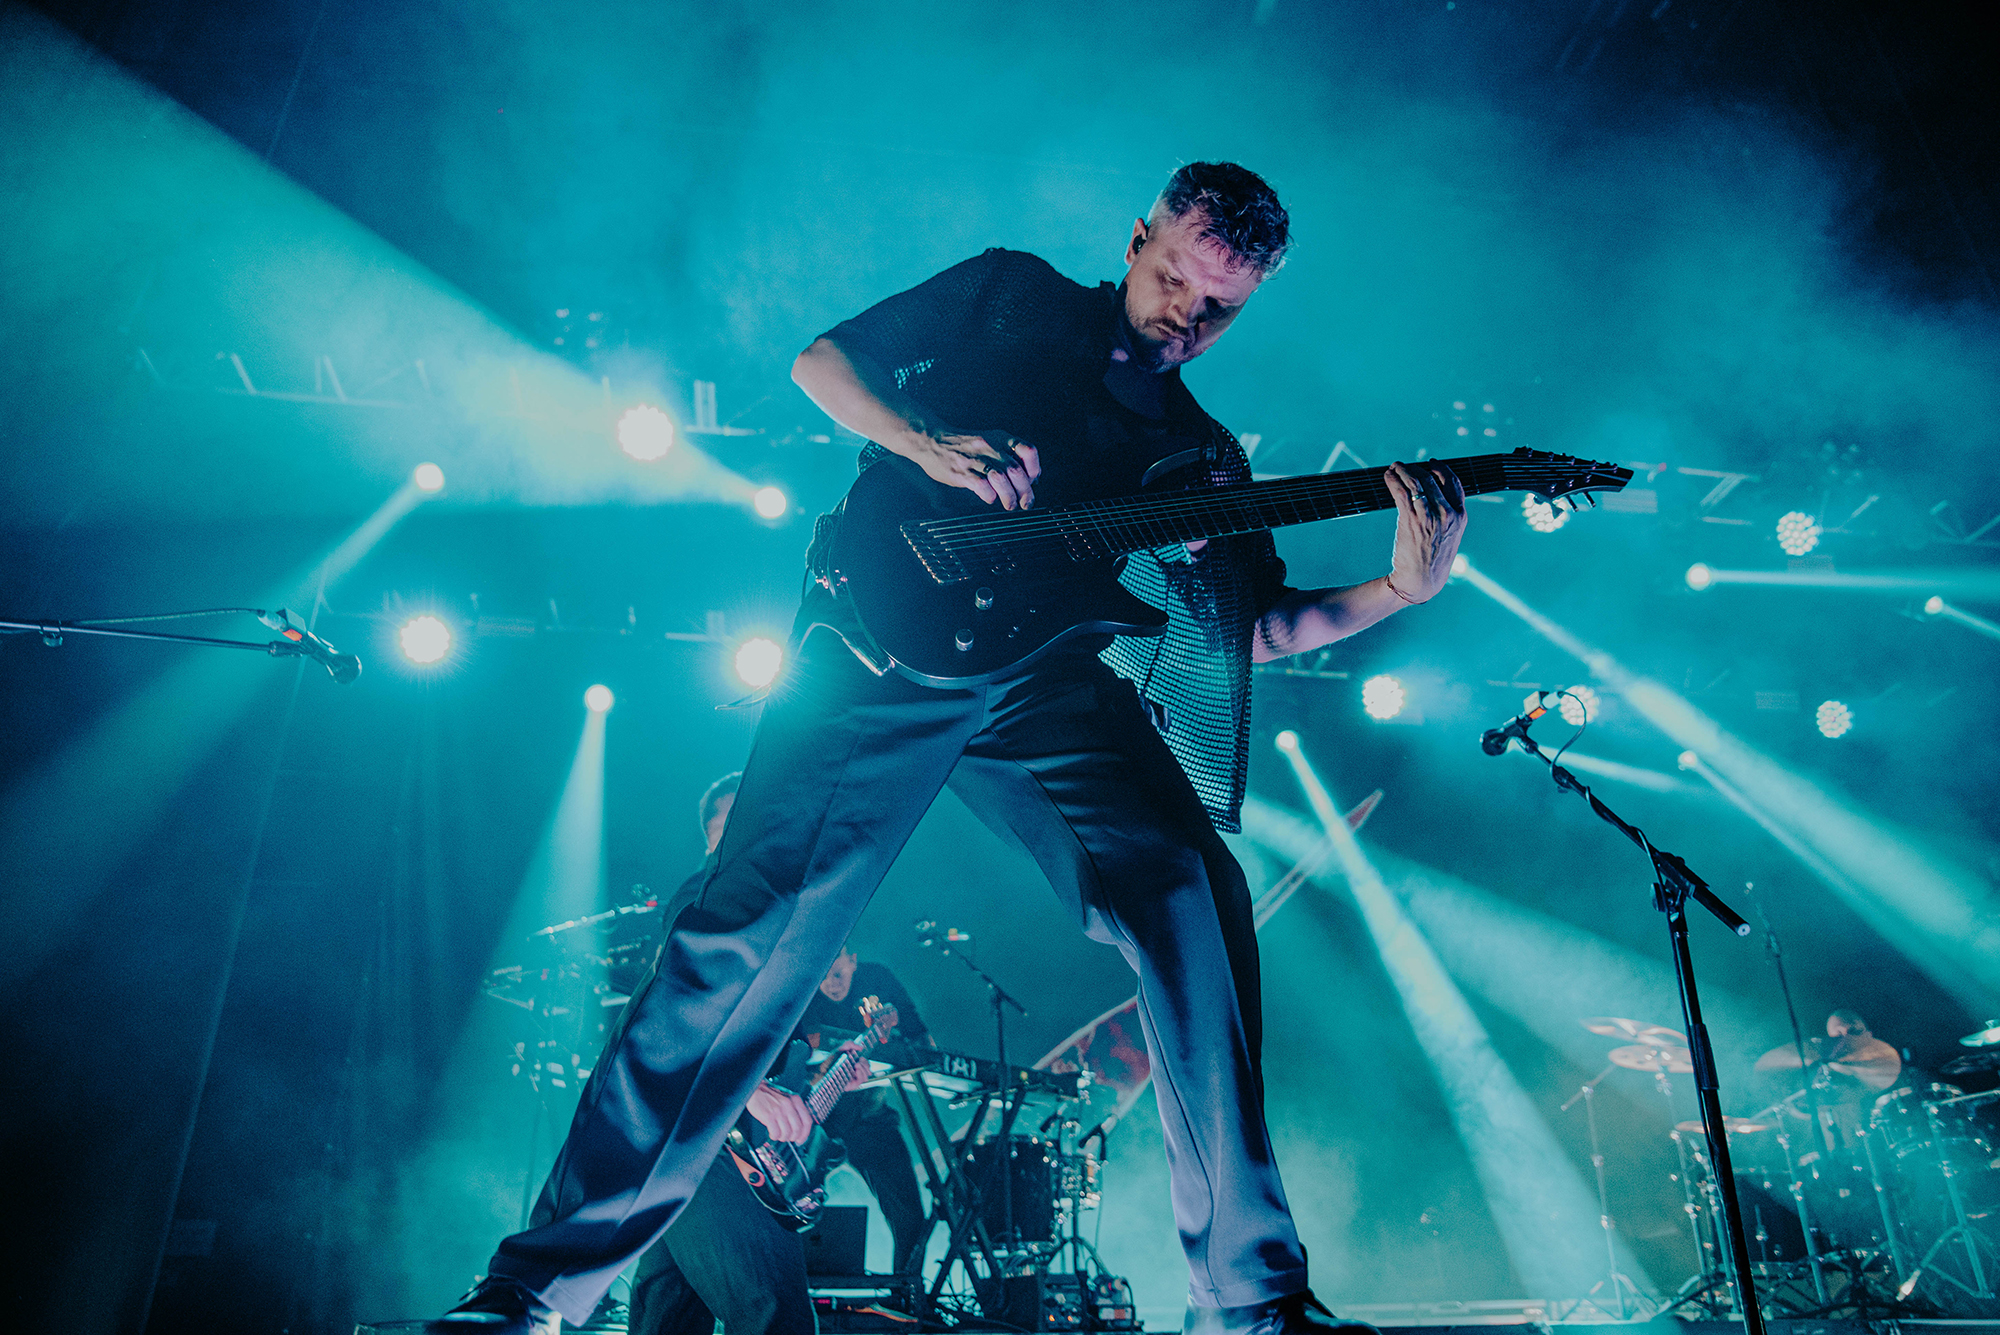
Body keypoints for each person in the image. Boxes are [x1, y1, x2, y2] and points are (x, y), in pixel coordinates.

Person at [428, 160, 1467, 1335]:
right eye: (1174, 277)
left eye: (1218, 306)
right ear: (1135, 239)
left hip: (1041, 685)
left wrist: (1398, 588)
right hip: (878, 648)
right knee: (744, 939)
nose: (1185, 313)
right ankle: (532, 1291)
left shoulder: (1200, 457)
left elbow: (1259, 628)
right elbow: (823, 363)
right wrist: (925, 443)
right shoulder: (1010, 297)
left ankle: (1252, 1298)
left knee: (1190, 886)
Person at [623, 773, 817, 1335]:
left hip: (685, 1133)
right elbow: (678, 1010)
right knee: (774, 1314)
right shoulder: (710, 896)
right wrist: (747, 1089)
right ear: (719, 830)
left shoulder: (760, 904)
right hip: (706, 1131)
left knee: (668, 1314)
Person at [800, 945, 934, 1275]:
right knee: (782, 1208)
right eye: (823, 976)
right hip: (813, 1120)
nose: (831, 983)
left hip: (869, 1117)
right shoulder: (800, 987)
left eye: (838, 973)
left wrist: (904, 1039)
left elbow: (922, 1041)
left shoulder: (877, 979)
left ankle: (904, 1300)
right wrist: (820, 1072)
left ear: (853, 961)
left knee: (910, 1219)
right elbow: (784, 1055)